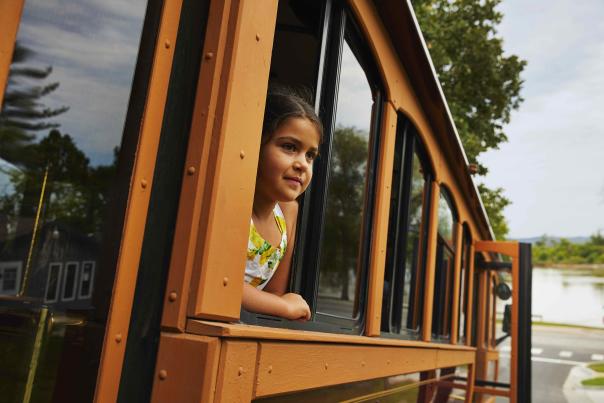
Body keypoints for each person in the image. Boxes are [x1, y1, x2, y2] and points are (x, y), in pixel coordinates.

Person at [242, 87, 322, 321]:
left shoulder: (288, 211)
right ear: (256, 144)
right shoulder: (234, 202)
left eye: (310, 155)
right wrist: (284, 307)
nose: (303, 164)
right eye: (289, 147)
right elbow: (218, 283)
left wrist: (279, 302)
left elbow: (274, 293)